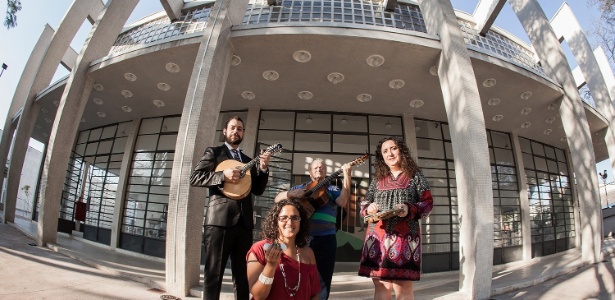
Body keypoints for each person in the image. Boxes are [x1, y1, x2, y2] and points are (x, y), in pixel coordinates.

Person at [190, 116, 272, 300]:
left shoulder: (248, 160)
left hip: (244, 223)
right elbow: (195, 177)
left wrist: (264, 168)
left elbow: (257, 190)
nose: (236, 131)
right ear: (225, 131)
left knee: (243, 275)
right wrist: (222, 176)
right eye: (233, 128)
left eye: (240, 129)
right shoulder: (215, 152)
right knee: (214, 273)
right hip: (219, 221)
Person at [358, 137, 433, 300]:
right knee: (381, 285)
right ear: (381, 157)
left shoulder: (415, 176)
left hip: (405, 239)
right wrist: (368, 208)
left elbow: (427, 203)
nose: (389, 153)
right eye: (385, 151)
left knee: (403, 286)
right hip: (376, 239)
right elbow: (364, 203)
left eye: (393, 148)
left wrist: (409, 208)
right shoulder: (377, 180)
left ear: (402, 151)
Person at [274, 158, 351, 299]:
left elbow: (342, 201)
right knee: (300, 273)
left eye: (322, 167)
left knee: (324, 277)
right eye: (315, 168)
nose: (319, 169)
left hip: (326, 238)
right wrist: (291, 194)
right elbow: (277, 198)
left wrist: (347, 176)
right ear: (309, 173)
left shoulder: (332, 189)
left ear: (326, 172)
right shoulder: (301, 188)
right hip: (304, 238)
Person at [246, 199, 321, 300]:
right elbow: (259, 296)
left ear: (301, 222)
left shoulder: (308, 253)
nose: (289, 222)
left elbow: (315, 294)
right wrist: (270, 266)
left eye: (295, 218)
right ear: (275, 221)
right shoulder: (260, 249)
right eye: (284, 218)